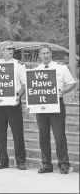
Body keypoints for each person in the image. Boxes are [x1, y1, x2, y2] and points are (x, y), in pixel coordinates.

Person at [33, 44, 76, 174]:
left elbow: (72, 83)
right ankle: (46, 165)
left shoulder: (60, 68)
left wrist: (63, 91)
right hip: (41, 108)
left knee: (59, 136)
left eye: (47, 53)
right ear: (39, 56)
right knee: (43, 137)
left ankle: (63, 165)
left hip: (57, 106)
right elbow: (32, 89)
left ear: (51, 54)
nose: (45, 55)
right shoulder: (35, 70)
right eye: (43, 53)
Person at [0, 41, 27, 170]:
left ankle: (20, 161)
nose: (11, 50)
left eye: (13, 49)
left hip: (14, 104)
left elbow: (24, 83)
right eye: (8, 49)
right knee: (0, 134)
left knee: (18, 133)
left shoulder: (19, 65)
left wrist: (20, 94)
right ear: (2, 51)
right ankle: (3, 161)